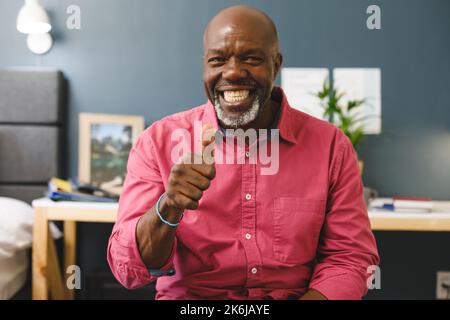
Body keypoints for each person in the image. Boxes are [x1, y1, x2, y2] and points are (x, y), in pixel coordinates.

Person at [107, 5, 379, 300]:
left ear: (276, 65)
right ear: (205, 67)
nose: (233, 71)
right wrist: (169, 205)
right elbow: (128, 271)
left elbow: (351, 259)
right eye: (217, 60)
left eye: (251, 58)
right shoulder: (157, 142)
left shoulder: (331, 146)